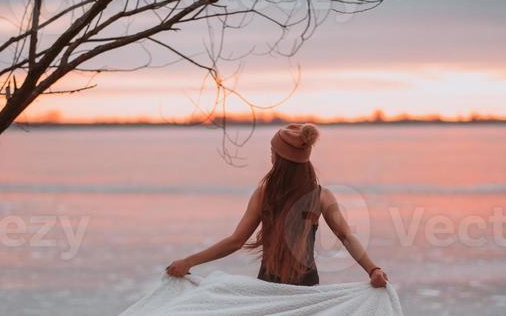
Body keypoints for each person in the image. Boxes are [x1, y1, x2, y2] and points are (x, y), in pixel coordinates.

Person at [166, 122, 388, 288]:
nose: (270, 156)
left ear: (280, 159)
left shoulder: (265, 194)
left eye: (272, 152)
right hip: (306, 288)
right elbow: (347, 237)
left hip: (270, 287)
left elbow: (235, 242)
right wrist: (373, 269)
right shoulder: (321, 196)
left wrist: (189, 262)